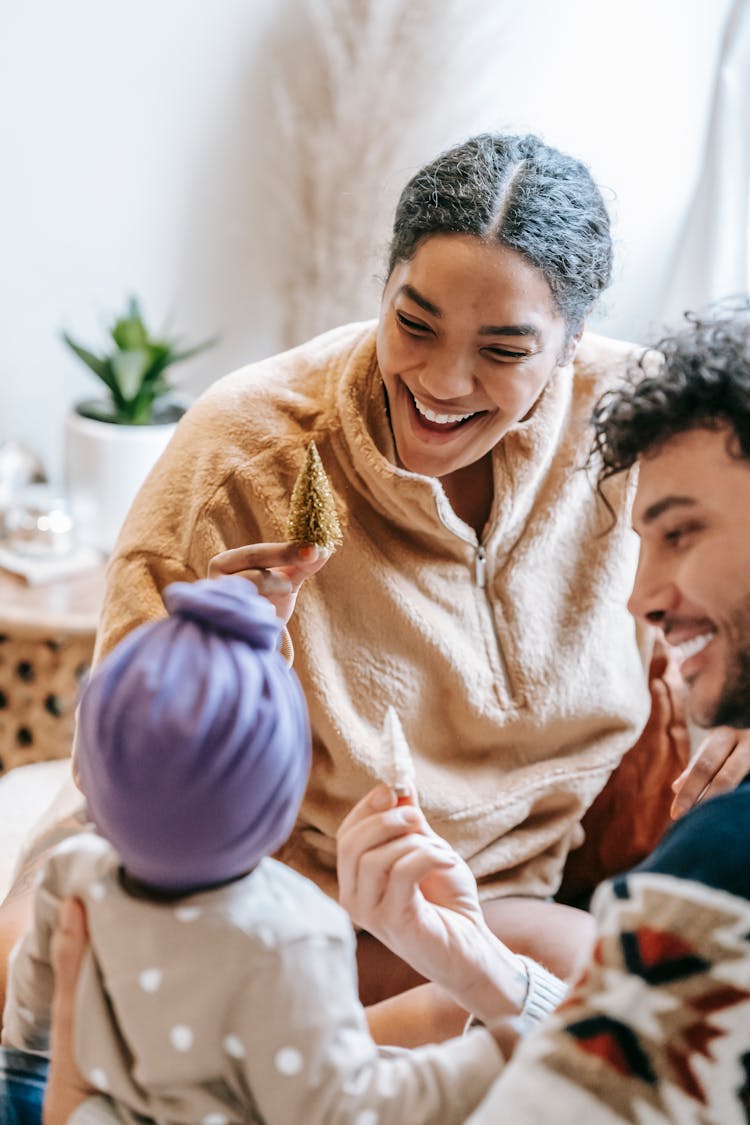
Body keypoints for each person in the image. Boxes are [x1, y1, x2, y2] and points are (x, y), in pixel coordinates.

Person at [2, 133, 747, 1029]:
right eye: (415, 322)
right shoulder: (250, 453)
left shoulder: (636, 422)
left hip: (496, 901)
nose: (441, 381)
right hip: (266, 886)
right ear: (384, 286)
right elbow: (116, 759)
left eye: (504, 350)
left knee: (587, 966)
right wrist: (222, 662)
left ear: (573, 343)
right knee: (42, 977)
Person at [335, 302, 750, 1122]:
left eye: (681, 533)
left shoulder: (723, 855)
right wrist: (476, 965)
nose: (642, 598)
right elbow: (618, 1077)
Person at [2, 574, 562, 1125]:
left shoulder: (72, 875)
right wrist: (495, 1054)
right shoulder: (297, 929)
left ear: (93, 786)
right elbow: (348, 1107)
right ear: (279, 801)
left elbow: (29, 1033)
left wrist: (27, 1095)